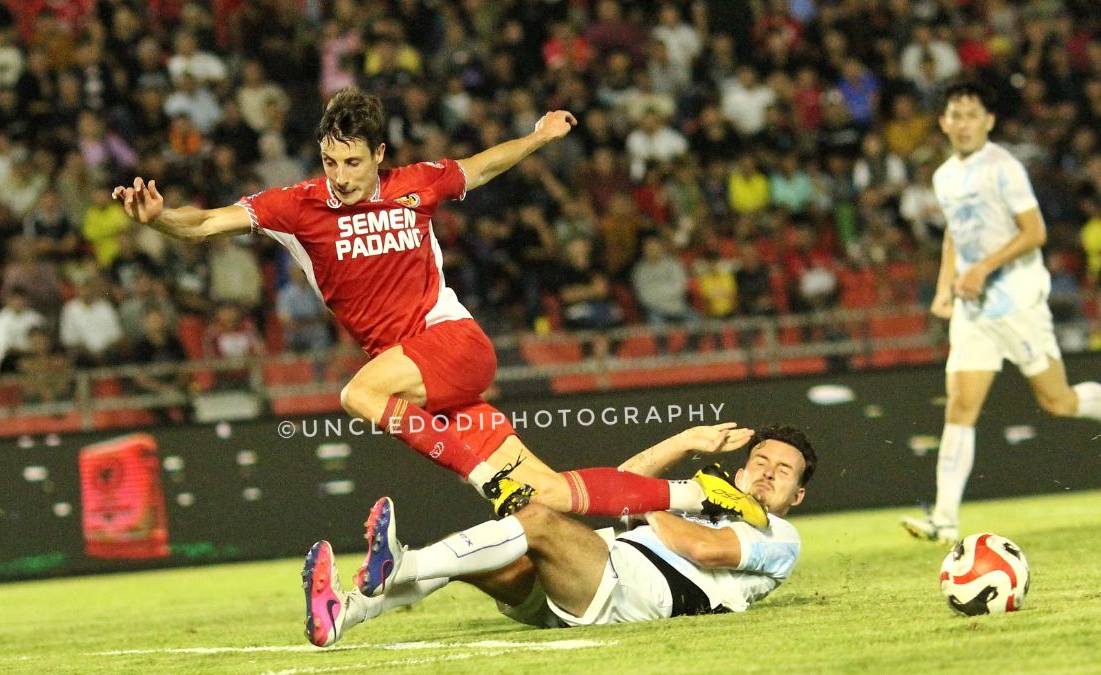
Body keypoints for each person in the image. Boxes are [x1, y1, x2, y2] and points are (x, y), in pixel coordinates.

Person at [113, 87, 748, 522]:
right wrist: (159, 219)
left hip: (454, 344)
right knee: (548, 493)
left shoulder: (414, 185)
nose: (339, 174)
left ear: (380, 157)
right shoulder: (294, 207)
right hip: (425, 375)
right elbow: (202, 225)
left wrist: (538, 138)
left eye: (353, 161)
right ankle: (698, 495)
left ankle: (484, 482)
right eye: (330, 160)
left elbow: (481, 166)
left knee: (357, 396)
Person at [301, 424, 817, 646]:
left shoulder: (779, 532)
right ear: (742, 467)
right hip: (596, 577)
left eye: (783, 471)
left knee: (537, 519)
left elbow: (702, 548)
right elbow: (621, 482)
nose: (767, 474)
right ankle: (345, 612)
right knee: (479, 557)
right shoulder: (706, 497)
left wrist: (656, 504)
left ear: (796, 495)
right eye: (760, 461)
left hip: (644, 594)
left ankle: (403, 564)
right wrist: (682, 444)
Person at [901, 81, 1101, 543]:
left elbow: (1035, 232)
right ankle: (944, 519)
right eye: (956, 114)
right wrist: (946, 285)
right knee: (961, 406)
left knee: (1058, 402)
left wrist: (984, 268)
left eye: (973, 114)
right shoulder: (944, 176)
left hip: (1018, 301)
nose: (963, 123)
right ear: (944, 122)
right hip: (974, 307)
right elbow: (954, 232)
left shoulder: (1004, 167)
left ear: (988, 121)